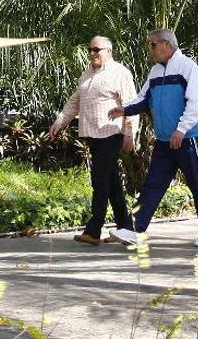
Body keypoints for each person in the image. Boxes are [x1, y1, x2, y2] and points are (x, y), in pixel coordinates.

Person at [107, 28, 198, 248]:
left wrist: (181, 130)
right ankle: (134, 229)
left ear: (166, 45)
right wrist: (124, 110)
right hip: (163, 142)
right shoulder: (155, 71)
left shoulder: (188, 68)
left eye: (152, 45)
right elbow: (143, 99)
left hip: (186, 140)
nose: (151, 50)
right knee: (152, 186)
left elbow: (194, 104)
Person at [50, 36, 139, 245]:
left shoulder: (120, 73)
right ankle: (126, 229)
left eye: (96, 50)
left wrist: (129, 133)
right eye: (90, 49)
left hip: (111, 132)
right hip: (92, 134)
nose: (92, 53)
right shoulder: (87, 74)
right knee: (111, 181)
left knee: (99, 179)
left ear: (109, 51)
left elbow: (131, 105)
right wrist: (59, 121)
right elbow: (74, 102)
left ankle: (94, 229)